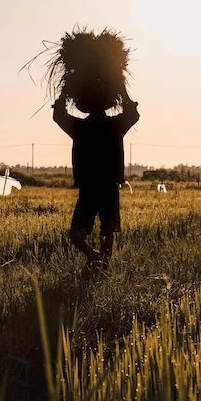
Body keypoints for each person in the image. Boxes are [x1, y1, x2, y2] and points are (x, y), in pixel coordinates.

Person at [53, 82, 140, 270]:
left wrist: (65, 90)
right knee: (107, 231)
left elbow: (58, 115)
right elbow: (133, 114)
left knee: (76, 232)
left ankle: (93, 256)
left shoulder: (80, 128)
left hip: (89, 187)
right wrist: (120, 83)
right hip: (109, 186)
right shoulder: (115, 126)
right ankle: (102, 263)